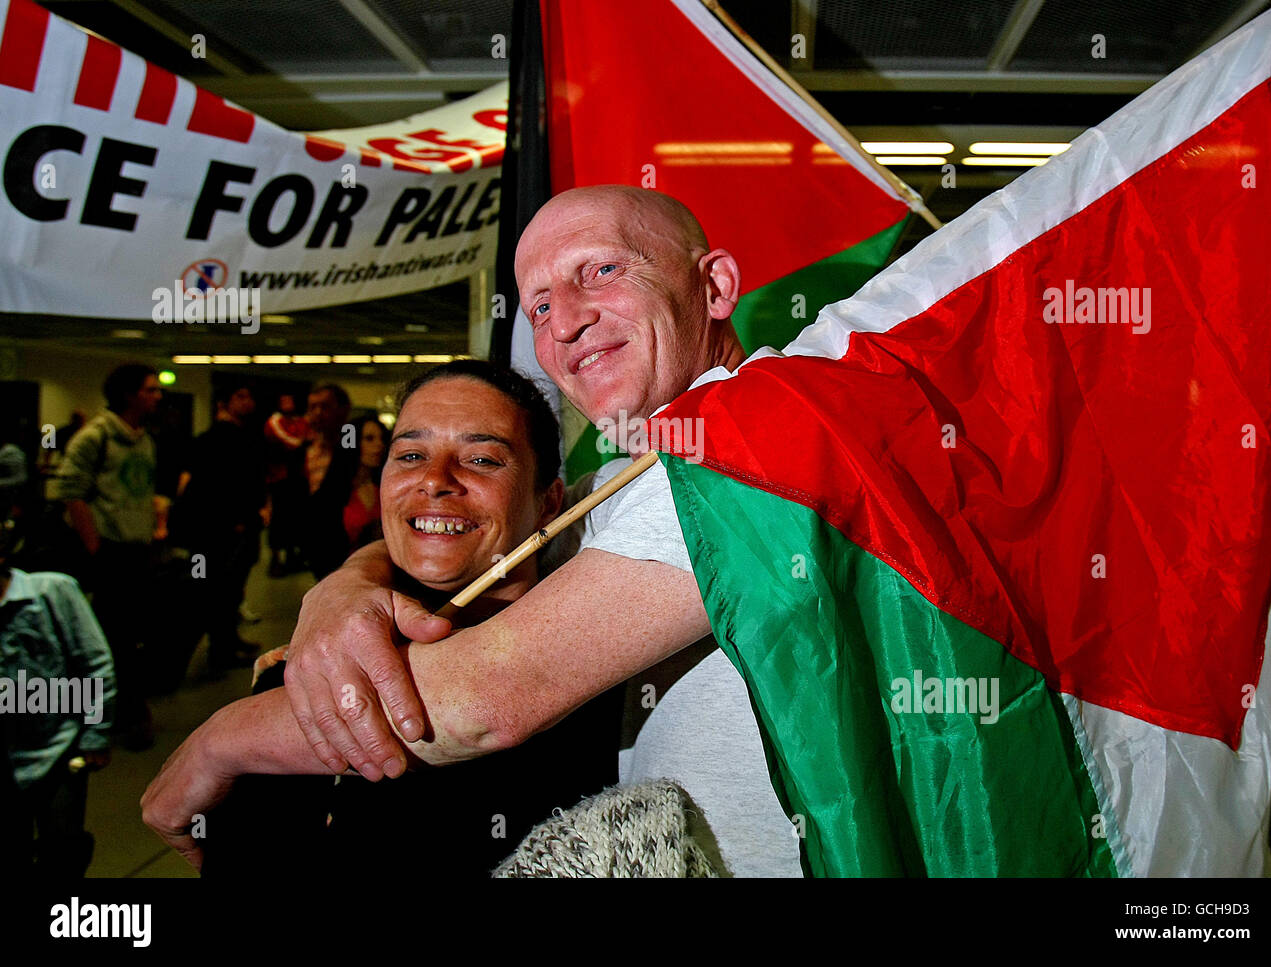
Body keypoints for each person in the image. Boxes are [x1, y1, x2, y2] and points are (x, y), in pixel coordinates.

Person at [143, 186, 800, 876]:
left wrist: (220, 740)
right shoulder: (637, 478)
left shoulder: (749, 443)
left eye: (601, 270)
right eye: (540, 305)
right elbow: (489, 525)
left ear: (716, 284)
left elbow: (493, 695)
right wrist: (347, 586)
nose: (566, 322)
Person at [199, 360, 621, 877]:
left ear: (549, 502)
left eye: (484, 459)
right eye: (412, 455)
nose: (434, 480)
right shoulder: (310, 671)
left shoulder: (614, 664)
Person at [0, 500, 116, 877]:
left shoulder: (53, 591)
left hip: (59, 751)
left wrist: (96, 734)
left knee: (62, 850)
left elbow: (95, 664)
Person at [55, 363, 161, 750]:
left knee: (132, 635)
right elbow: (70, 490)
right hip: (108, 552)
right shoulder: (95, 437)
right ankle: (113, 716)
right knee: (110, 639)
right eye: (150, 390)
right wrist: (95, 545)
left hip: (137, 550)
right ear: (130, 394)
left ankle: (125, 711)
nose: (157, 396)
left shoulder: (145, 439)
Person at [171, 384, 269, 675]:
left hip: (239, 526)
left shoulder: (247, 438)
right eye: (240, 396)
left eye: (249, 395)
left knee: (231, 587)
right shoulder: (213, 440)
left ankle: (227, 641)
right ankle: (219, 650)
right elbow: (205, 485)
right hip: (219, 529)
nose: (247, 402)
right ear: (224, 403)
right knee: (217, 589)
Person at [300, 383, 356, 580]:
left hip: (349, 541)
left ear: (342, 409)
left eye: (324, 407)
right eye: (312, 407)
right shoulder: (303, 451)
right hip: (314, 540)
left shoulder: (353, 448)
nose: (317, 413)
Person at [264, 394, 309, 577]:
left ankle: (292, 557)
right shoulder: (274, 422)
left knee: (295, 520)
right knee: (277, 522)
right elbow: (294, 442)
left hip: (297, 479)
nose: (288, 404)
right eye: (284, 401)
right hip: (279, 479)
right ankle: (275, 560)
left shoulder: (300, 422)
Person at [341, 416, 389, 552]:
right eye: (369, 439)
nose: (379, 444)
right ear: (353, 443)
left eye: (382, 439)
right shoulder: (337, 490)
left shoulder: (384, 486)